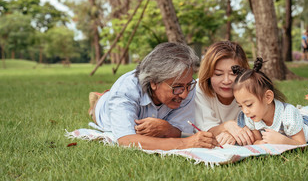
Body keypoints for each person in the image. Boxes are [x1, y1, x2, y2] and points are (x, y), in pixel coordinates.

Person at [88, 42, 219, 150]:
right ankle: (100, 99)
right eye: (177, 87)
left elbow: (182, 131)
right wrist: (186, 143)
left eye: (188, 85)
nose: (185, 94)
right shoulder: (126, 89)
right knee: (102, 106)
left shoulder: (186, 87)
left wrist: (167, 129)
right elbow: (126, 140)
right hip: (104, 109)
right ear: (154, 82)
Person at [224, 57, 308, 145]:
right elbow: (257, 140)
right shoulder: (250, 117)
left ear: (268, 97)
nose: (245, 111)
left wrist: (283, 141)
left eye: (249, 105)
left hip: (305, 129)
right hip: (292, 125)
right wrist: (259, 143)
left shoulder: (288, 114)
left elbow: (301, 144)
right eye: (240, 106)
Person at [195, 41, 255, 146]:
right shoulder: (199, 89)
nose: (226, 81)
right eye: (218, 74)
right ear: (208, 74)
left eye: (233, 73)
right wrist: (227, 126)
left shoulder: (253, 88)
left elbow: (261, 125)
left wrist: (232, 133)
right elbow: (206, 131)